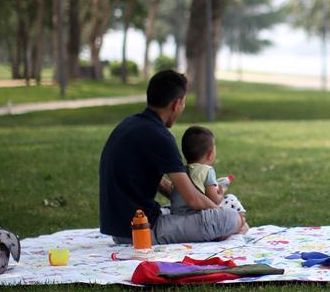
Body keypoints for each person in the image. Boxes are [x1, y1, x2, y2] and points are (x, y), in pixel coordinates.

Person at [98, 70, 244, 245]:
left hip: (119, 229)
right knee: (229, 218)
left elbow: (164, 185)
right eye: (183, 104)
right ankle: (226, 228)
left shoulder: (129, 125)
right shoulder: (161, 136)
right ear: (176, 104)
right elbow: (193, 199)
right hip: (142, 232)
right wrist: (218, 211)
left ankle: (216, 229)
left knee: (176, 211)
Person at [170, 126, 249, 232]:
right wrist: (220, 195)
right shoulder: (207, 170)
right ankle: (239, 224)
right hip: (197, 216)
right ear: (210, 154)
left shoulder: (181, 171)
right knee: (231, 198)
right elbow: (213, 199)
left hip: (176, 216)